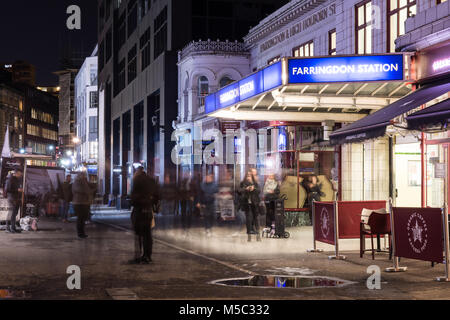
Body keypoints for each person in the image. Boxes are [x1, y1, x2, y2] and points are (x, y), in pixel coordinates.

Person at [129, 167, 160, 264]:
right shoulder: (151, 181)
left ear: (137, 172)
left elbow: (133, 196)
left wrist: (133, 202)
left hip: (139, 210)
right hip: (148, 210)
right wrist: (151, 203)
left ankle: (138, 255)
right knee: (147, 234)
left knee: (138, 234)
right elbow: (158, 195)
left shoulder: (137, 180)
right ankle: (147, 256)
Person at [71, 172, 96, 239]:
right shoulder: (77, 182)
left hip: (84, 203)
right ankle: (80, 233)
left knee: (83, 218)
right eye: (83, 175)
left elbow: (88, 189)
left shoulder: (84, 182)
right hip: (79, 203)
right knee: (80, 218)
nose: (84, 177)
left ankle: (82, 233)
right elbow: (84, 190)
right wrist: (90, 191)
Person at [239, 171, 261, 242]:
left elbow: (259, 191)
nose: (248, 177)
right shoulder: (243, 183)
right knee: (248, 220)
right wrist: (246, 189)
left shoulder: (255, 183)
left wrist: (253, 189)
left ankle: (258, 235)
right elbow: (239, 191)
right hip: (247, 204)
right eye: (247, 175)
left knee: (256, 219)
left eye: (250, 175)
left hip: (255, 204)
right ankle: (249, 235)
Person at [198, 172, 218, 237]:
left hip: (212, 202)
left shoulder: (215, 185)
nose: (207, 179)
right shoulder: (202, 185)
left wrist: (214, 196)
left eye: (208, 177)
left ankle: (210, 227)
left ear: (211, 179)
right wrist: (199, 202)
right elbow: (199, 194)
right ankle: (207, 229)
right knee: (206, 216)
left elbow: (217, 192)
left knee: (212, 216)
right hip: (204, 203)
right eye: (206, 177)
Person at [5, 169, 23, 233]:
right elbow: (7, 189)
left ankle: (13, 227)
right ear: (16, 173)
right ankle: (8, 228)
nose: (20, 175)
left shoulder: (16, 179)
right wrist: (17, 190)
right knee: (11, 213)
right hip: (12, 198)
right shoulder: (9, 179)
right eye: (19, 174)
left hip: (16, 198)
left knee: (14, 213)